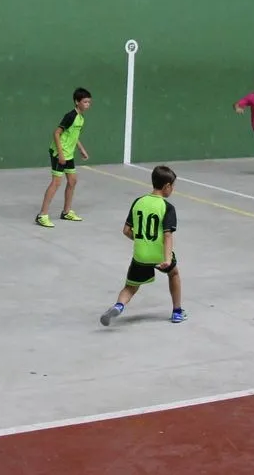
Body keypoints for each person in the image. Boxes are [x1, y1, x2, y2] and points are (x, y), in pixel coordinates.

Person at [100, 165, 187, 326]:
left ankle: (118, 306)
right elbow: (167, 235)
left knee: (130, 287)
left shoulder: (138, 202)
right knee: (173, 274)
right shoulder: (167, 207)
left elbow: (126, 231)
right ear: (167, 186)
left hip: (140, 254)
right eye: (173, 186)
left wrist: (141, 239)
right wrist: (167, 259)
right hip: (158, 254)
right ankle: (177, 312)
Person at [35, 87, 91, 228]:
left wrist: (81, 149)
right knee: (56, 183)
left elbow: (73, 136)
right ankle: (42, 215)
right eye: (85, 102)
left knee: (72, 181)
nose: (87, 105)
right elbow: (56, 133)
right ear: (77, 102)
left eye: (89, 102)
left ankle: (66, 212)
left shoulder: (81, 118)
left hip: (68, 153)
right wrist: (60, 153)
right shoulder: (70, 116)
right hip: (58, 152)